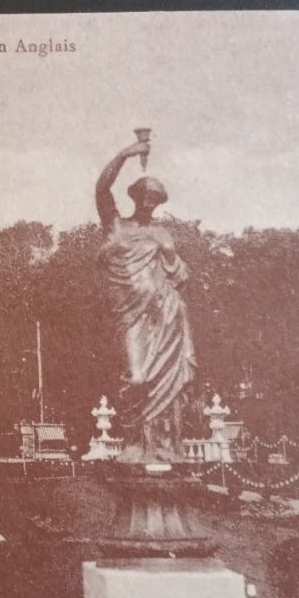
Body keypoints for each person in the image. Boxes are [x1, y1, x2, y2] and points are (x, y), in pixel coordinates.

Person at [96, 138, 197, 464]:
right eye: (145, 197)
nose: (149, 203)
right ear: (135, 197)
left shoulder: (163, 236)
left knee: (167, 384)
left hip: (165, 314)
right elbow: (102, 187)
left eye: (155, 200)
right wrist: (126, 153)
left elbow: (180, 275)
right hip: (130, 315)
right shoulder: (115, 225)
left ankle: (163, 444)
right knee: (137, 377)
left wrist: (168, 295)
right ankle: (135, 442)